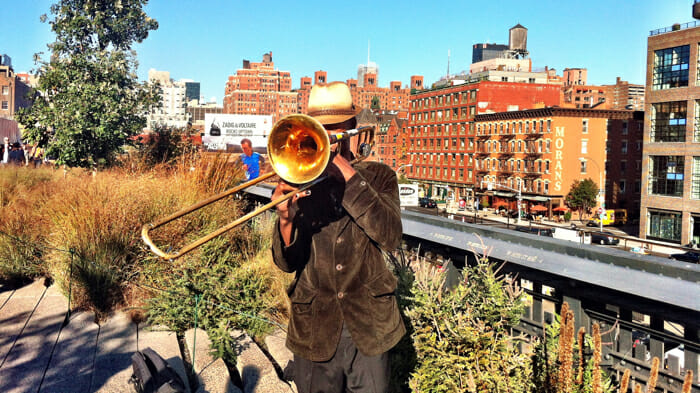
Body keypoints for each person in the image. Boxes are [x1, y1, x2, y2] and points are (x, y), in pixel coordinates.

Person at [271, 81, 405, 393]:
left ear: (352, 129)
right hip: (315, 326)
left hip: (369, 326)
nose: (329, 137)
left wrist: (347, 172)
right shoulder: (298, 177)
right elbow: (287, 263)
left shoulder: (379, 177)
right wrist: (286, 219)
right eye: (322, 128)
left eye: (336, 128)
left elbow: (390, 236)